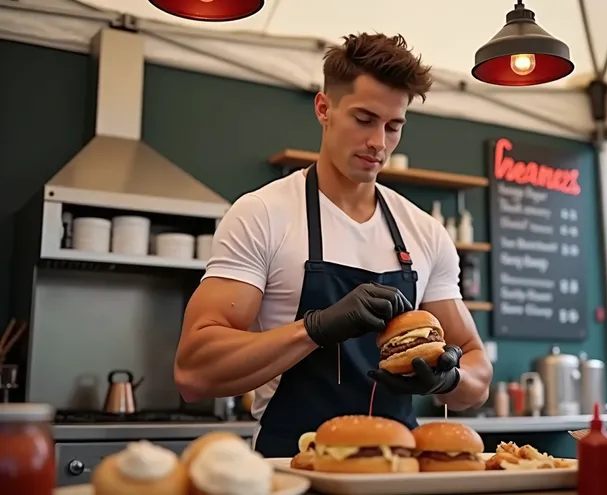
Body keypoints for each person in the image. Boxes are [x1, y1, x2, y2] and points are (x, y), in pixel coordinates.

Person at [173, 32, 493, 457]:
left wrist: (447, 380)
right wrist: (315, 328)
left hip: (394, 472)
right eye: (364, 119)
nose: (379, 142)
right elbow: (194, 371)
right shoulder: (263, 214)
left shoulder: (425, 232)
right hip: (293, 466)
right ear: (324, 109)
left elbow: (477, 374)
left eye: (393, 126)